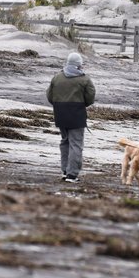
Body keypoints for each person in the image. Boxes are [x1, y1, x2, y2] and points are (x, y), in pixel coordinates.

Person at [47, 52, 96, 182]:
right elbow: (90, 98)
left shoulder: (57, 77)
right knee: (76, 144)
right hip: (76, 115)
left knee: (65, 141)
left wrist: (60, 105)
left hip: (60, 114)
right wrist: (81, 104)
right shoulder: (85, 79)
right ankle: (72, 174)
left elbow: (50, 96)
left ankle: (65, 171)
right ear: (79, 65)